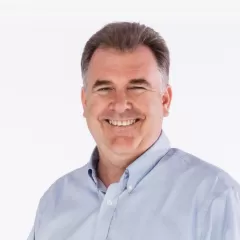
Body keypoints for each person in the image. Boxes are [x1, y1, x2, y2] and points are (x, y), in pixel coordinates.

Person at [27, 22, 240, 240]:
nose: (120, 105)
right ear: (85, 101)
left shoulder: (215, 199)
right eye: (105, 88)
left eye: (137, 87)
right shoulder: (54, 202)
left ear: (165, 100)